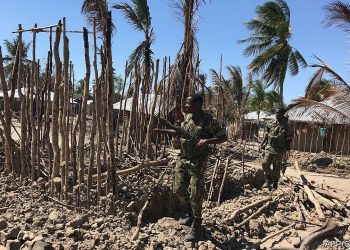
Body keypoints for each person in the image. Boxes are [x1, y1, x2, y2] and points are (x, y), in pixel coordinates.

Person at [153, 93, 227, 242]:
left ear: (198, 104)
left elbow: (223, 137)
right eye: (185, 103)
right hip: (183, 158)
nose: (185, 106)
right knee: (178, 189)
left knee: (195, 194)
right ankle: (189, 214)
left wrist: (206, 141)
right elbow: (180, 132)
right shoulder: (187, 117)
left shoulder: (209, 120)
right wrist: (163, 130)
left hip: (197, 162)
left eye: (188, 104)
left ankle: (197, 225)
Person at [260, 108, 291, 189]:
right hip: (270, 147)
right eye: (276, 113)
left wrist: (288, 149)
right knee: (264, 163)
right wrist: (261, 144)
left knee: (277, 167)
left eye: (279, 113)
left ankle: (275, 182)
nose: (276, 114)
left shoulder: (286, 126)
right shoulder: (270, 123)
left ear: (282, 114)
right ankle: (268, 178)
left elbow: (288, 139)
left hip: (280, 149)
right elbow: (266, 135)